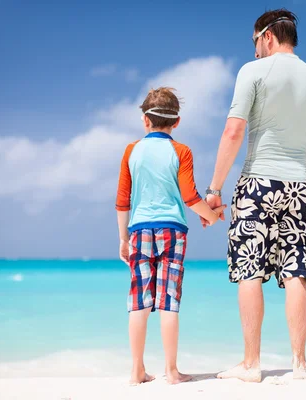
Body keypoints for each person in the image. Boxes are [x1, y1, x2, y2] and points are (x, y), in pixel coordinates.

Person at [202, 9, 306, 382]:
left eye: (254, 42)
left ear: (268, 37)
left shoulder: (252, 72)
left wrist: (214, 189)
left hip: (258, 183)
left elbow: (233, 131)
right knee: (296, 273)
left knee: (249, 269)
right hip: (298, 187)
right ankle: (300, 364)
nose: (255, 50)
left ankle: (251, 364)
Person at [115, 87, 226, 385]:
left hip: (138, 229)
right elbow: (190, 197)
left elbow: (122, 199)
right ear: (176, 122)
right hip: (172, 230)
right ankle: (172, 371)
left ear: (145, 120)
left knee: (139, 300)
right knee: (168, 299)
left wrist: (123, 238)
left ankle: (137, 370)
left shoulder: (131, 150)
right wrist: (212, 216)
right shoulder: (181, 151)